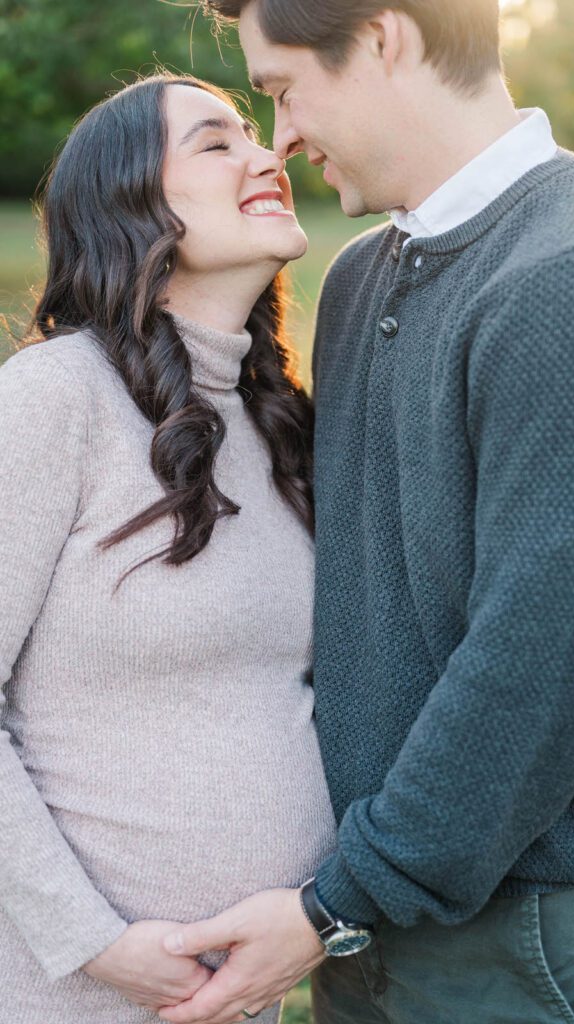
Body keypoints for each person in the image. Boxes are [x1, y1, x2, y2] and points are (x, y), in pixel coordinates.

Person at [154, 1, 574, 1022]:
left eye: (282, 89)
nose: (281, 139)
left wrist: (333, 903)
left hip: (509, 930)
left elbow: (536, 668)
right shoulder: (359, 275)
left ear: (385, 38)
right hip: (370, 898)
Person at [0, 71, 337, 1023]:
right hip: (68, 992)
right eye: (216, 141)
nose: (267, 153)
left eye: (253, 132)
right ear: (130, 204)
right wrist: (95, 943)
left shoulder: (278, 422)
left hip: (239, 996)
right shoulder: (54, 400)